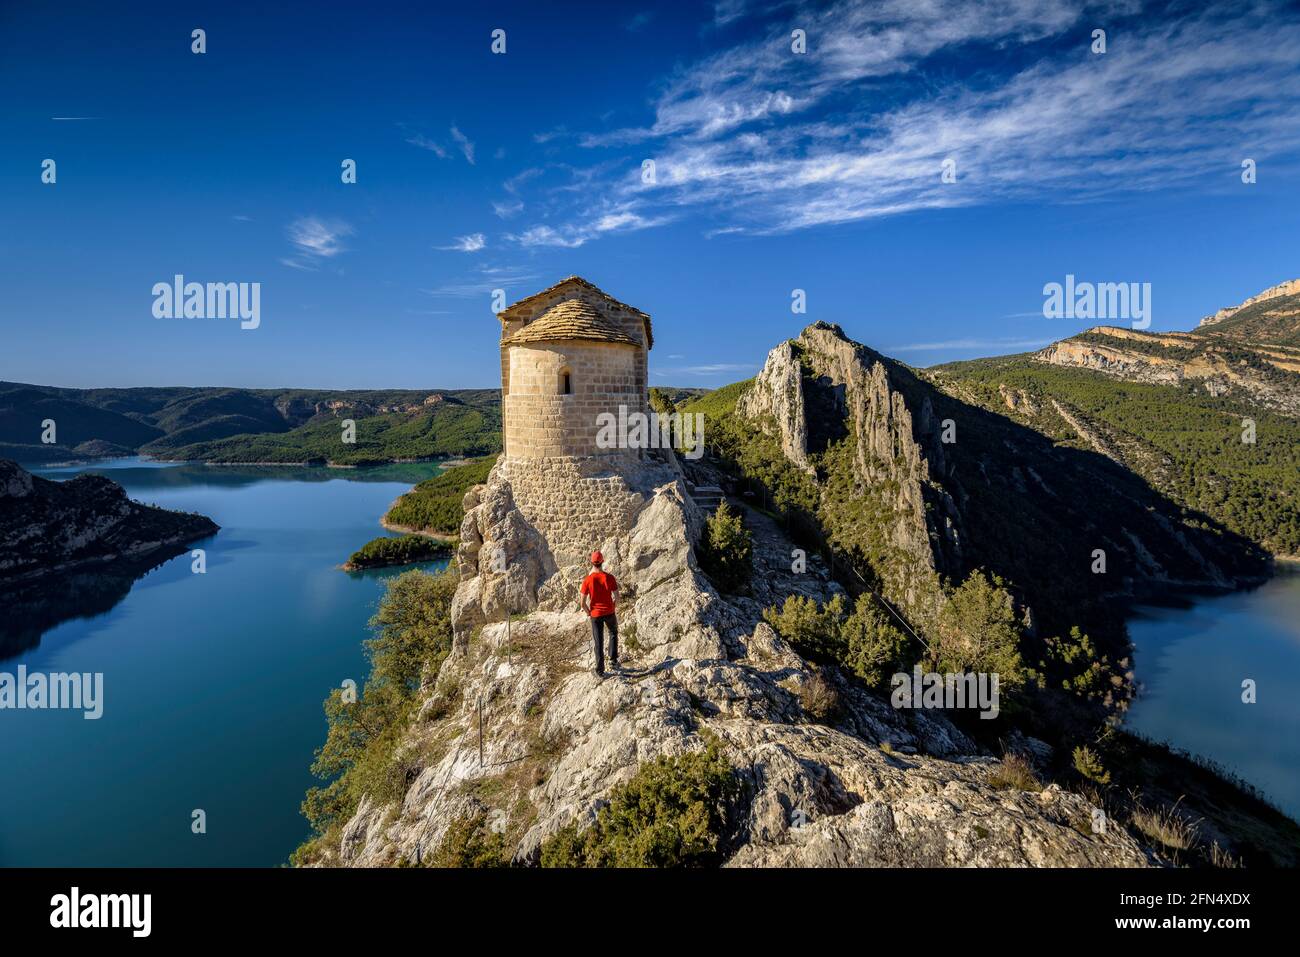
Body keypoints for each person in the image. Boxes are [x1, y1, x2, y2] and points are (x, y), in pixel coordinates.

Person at [579, 550, 619, 677]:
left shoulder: (587, 580)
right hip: (609, 611)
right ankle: (613, 661)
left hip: (595, 614)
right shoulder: (610, 577)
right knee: (613, 633)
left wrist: (589, 613)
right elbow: (617, 597)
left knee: (598, 642)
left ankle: (600, 671)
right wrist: (613, 607)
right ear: (602, 562)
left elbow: (582, 603)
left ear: (592, 563)